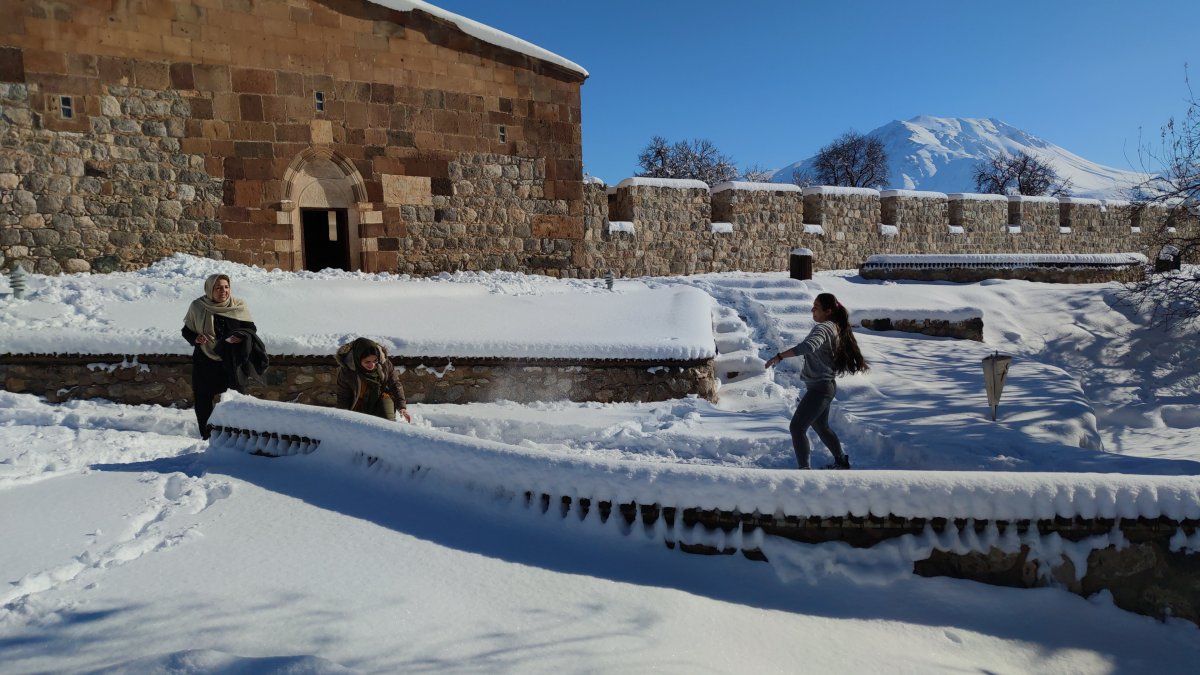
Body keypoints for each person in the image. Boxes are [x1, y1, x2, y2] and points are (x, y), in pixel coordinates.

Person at [764, 292, 868, 470]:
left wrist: (780, 356)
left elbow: (808, 346)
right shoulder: (833, 326)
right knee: (821, 426)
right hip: (823, 386)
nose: (812, 310)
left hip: (820, 388)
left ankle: (804, 471)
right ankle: (841, 461)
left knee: (797, 428)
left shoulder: (824, 328)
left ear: (828, 311)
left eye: (816, 307)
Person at [182, 274, 265, 439]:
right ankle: (208, 437)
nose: (223, 291)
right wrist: (195, 338)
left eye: (226, 287)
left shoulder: (238, 305)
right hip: (205, 360)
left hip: (232, 361)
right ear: (209, 289)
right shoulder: (197, 306)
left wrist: (240, 337)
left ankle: (235, 437)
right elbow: (186, 330)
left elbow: (251, 329)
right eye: (218, 287)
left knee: (236, 400)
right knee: (203, 400)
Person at [335, 337, 411, 422]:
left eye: (375, 360)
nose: (372, 365)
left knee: (387, 423)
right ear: (357, 359)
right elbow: (343, 397)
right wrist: (343, 418)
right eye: (367, 362)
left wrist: (402, 407)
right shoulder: (348, 372)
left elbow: (395, 384)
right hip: (358, 403)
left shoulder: (384, 363)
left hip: (381, 397)